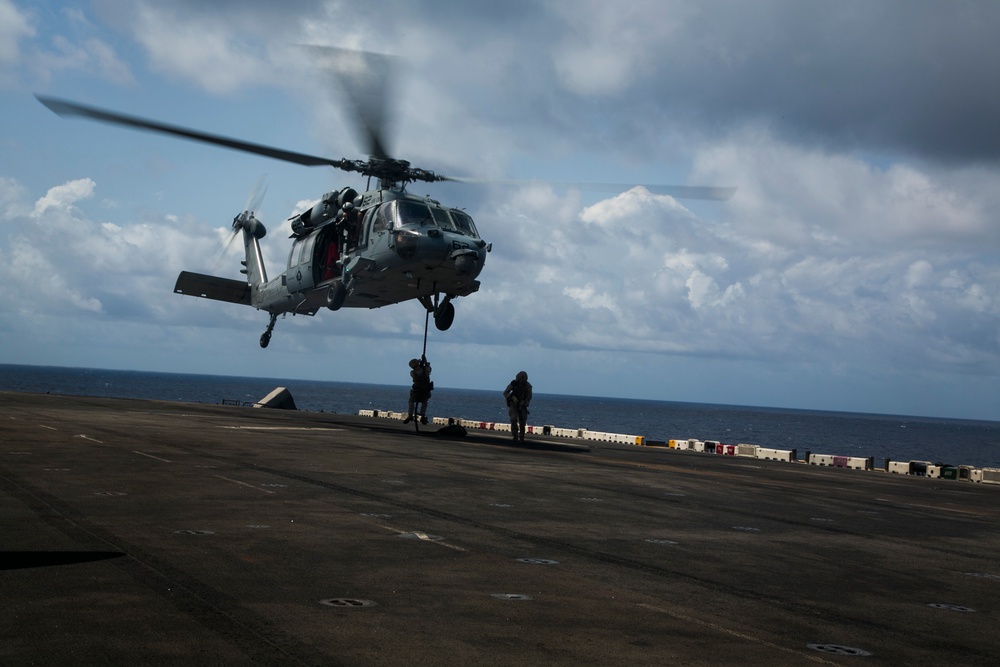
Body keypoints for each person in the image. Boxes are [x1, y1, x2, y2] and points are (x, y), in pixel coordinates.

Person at [503, 371, 532, 442]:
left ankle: (521, 437)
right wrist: (511, 397)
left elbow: (529, 396)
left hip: (522, 405)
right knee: (513, 419)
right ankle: (515, 435)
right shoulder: (513, 384)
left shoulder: (528, 386)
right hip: (514, 404)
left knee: (522, 421)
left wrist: (524, 402)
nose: (522, 380)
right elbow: (505, 392)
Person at [404, 356, 433, 424]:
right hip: (425, 392)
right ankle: (423, 415)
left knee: (411, 401)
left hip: (417, 392)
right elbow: (429, 369)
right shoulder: (425, 370)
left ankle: (410, 415)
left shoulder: (412, 373)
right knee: (425, 402)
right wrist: (425, 362)